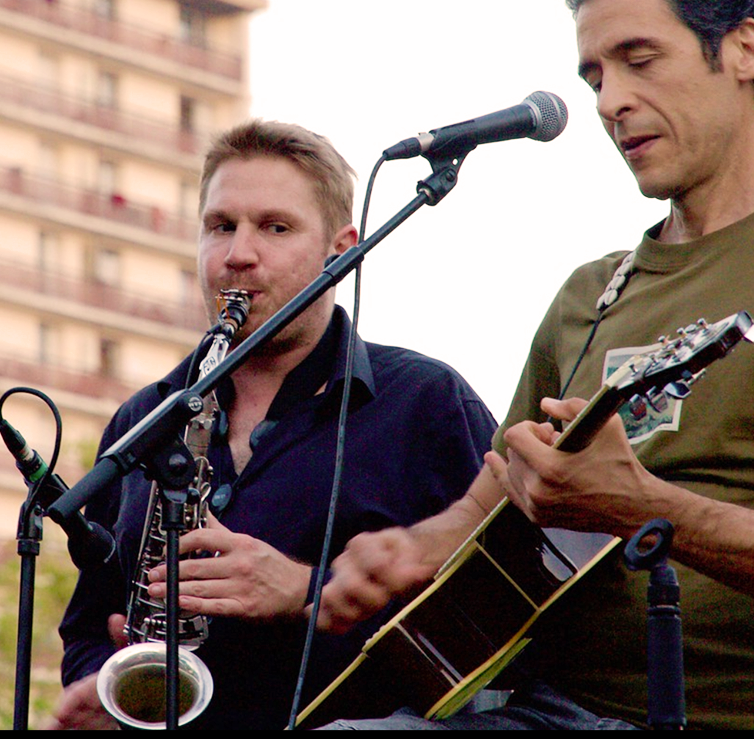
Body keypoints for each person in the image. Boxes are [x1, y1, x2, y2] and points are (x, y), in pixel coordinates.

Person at [315, 0, 754, 730]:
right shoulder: (590, 292)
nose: (612, 100)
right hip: (548, 707)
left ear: (744, 50)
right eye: (595, 76)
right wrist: (415, 547)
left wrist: (643, 505)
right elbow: (497, 494)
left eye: (639, 60)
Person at [51, 120, 497, 730]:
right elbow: (86, 624)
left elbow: (498, 623)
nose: (238, 253)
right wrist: (106, 683)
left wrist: (305, 593)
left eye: (275, 227)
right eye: (220, 226)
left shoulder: (426, 403)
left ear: (342, 251)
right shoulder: (144, 420)